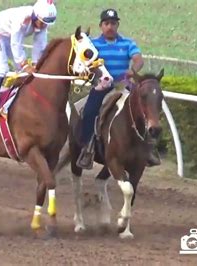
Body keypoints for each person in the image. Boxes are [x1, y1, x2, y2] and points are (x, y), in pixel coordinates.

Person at [76, 8, 161, 169]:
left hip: (125, 86)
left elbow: (138, 60)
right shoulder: (93, 44)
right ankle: (87, 148)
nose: (110, 27)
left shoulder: (128, 43)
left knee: (146, 110)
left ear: (117, 25)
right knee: (88, 111)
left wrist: (133, 70)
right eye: (107, 23)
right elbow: (86, 62)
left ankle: (149, 148)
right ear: (101, 26)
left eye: (113, 23)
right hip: (102, 86)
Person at [0, 0, 57, 115]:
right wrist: (25, 64)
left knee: (21, 70)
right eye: (42, 22)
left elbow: (40, 45)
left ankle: (17, 97)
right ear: (35, 16)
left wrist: (35, 64)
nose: (44, 26)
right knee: (2, 67)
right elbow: (16, 43)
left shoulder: (41, 23)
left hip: (10, 37)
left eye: (46, 23)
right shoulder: (22, 19)